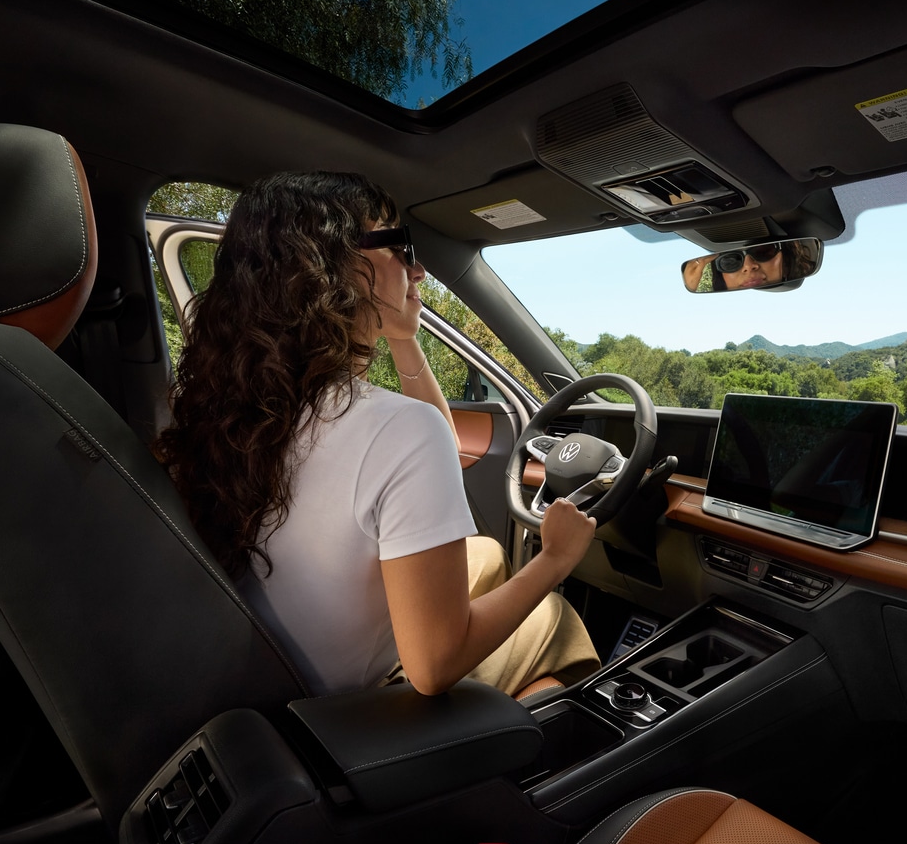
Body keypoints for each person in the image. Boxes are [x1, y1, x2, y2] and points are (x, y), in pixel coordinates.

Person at [154, 171, 600, 697]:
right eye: (399, 246)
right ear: (332, 266)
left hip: (261, 678)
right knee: (552, 619)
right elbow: (434, 664)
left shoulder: (228, 407)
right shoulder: (397, 430)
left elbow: (440, 447)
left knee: (483, 554)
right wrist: (555, 558)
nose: (419, 269)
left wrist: (403, 335)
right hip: (347, 710)